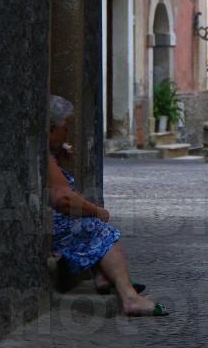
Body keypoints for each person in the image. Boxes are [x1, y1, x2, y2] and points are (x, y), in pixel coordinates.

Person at [48, 96, 168, 316]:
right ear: (50, 129)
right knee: (102, 231)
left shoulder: (50, 155)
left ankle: (103, 276)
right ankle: (129, 297)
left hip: (53, 220)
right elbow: (65, 200)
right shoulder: (45, 159)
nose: (67, 134)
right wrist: (97, 211)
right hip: (52, 226)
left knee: (90, 224)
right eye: (64, 128)